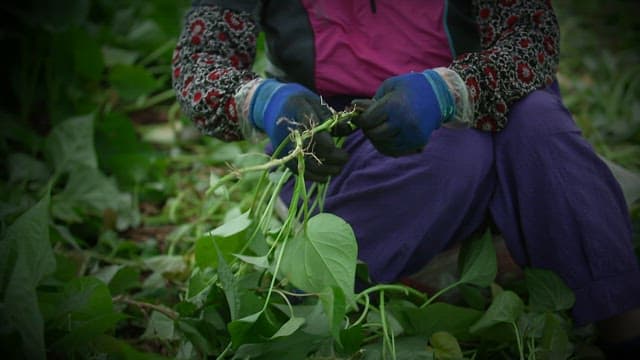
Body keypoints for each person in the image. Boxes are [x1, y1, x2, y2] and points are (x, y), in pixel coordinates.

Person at [172, 0, 640, 356]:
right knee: (457, 158)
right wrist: (265, 102)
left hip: (485, 106)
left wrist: (448, 91)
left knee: (538, 121)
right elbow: (199, 63)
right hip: (341, 149)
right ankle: (319, 298)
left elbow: (530, 42)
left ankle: (623, 321)